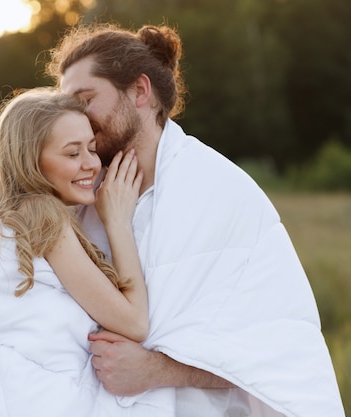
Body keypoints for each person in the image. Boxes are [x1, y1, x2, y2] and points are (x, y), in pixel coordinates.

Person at [46, 22, 345, 417]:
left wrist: (155, 370)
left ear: (139, 90)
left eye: (85, 100)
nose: (77, 120)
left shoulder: (225, 194)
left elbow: (279, 353)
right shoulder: (77, 196)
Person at [0, 87, 177, 416]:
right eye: (73, 154)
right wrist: (118, 222)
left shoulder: (0, 217)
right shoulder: (42, 217)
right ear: (31, 161)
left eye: (92, 148)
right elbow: (133, 322)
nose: (92, 164)